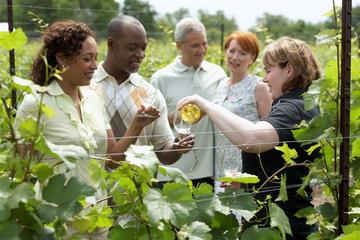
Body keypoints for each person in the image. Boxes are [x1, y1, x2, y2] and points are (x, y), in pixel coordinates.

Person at [177, 37, 321, 239]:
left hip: (284, 227)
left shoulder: (293, 108)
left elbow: (252, 139)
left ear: (289, 70)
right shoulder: (298, 102)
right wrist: (247, 181)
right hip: (277, 222)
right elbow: (281, 158)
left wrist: (208, 106)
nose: (265, 78)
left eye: (269, 70)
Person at [90, 15, 193, 168]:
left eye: (143, 48)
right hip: (92, 188)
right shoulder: (86, 85)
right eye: (132, 47)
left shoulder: (150, 94)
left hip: (135, 188)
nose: (140, 54)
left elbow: (164, 151)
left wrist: (177, 148)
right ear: (111, 44)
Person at [151, 18, 227, 187]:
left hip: (208, 170)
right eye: (195, 45)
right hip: (172, 171)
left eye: (204, 44)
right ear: (179, 45)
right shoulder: (161, 78)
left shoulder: (218, 74)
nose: (202, 50)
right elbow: (152, 125)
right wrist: (182, 116)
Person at [214, 31, 272, 192]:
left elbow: (269, 136)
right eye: (231, 51)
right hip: (219, 169)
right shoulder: (220, 85)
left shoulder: (259, 87)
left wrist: (247, 176)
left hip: (244, 171)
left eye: (242, 53)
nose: (235, 57)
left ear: (252, 58)